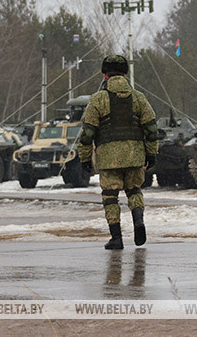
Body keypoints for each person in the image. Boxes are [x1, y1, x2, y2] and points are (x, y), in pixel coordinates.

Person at [78, 55, 158, 249]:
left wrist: (85, 158)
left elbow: (87, 133)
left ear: (105, 75)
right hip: (134, 155)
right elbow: (151, 129)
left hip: (108, 158)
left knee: (110, 196)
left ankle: (116, 237)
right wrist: (151, 154)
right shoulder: (139, 98)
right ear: (124, 75)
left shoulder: (98, 99)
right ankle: (138, 221)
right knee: (134, 190)